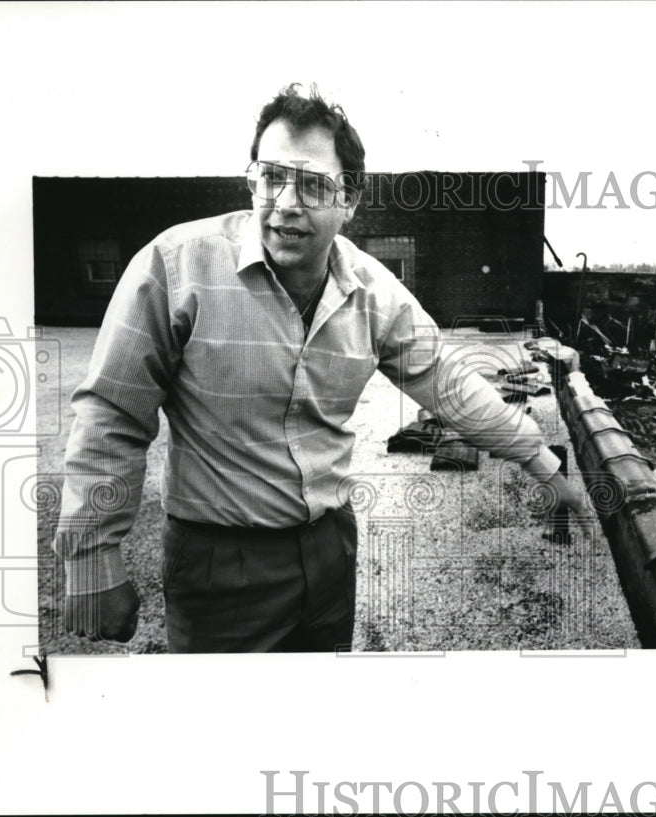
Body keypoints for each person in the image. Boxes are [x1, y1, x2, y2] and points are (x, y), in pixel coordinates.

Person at [54, 83, 588, 653]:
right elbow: (113, 412)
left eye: (312, 185)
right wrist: (90, 560)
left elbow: (449, 382)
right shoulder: (175, 267)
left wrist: (544, 463)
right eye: (271, 176)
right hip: (219, 564)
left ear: (350, 200)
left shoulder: (372, 293)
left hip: (331, 553)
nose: (285, 202)